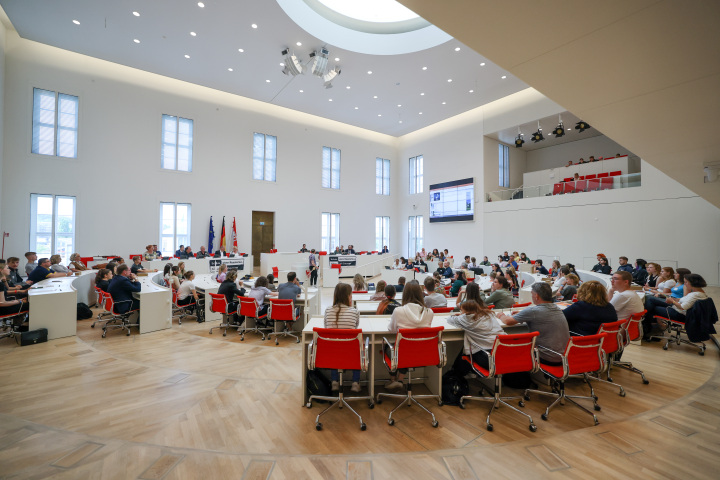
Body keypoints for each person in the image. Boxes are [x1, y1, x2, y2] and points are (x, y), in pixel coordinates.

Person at [497, 283, 570, 365]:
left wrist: (501, 315)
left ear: (536, 296)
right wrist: (521, 313)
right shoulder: (557, 308)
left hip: (546, 357)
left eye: (532, 294)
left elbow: (508, 321)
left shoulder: (533, 311)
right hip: (564, 357)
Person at [385, 283, 434, 389]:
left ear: (405, 294)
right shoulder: (429, 312)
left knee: (390, 347)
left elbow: (391, 330)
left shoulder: (398, 311)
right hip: (423, 353)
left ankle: (393, 379)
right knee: (408, 348)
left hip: (403, 353)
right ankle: (400, 379)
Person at [448, 299, 505, 375]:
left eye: (461, 310)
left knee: (466, 350)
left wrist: (461, 315)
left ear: (464, 311)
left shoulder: (465, 319)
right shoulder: (489, 315)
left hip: (487, 359)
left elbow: (450, 320)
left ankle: (455, 375)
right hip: (503, 355)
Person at [323, 283, 362, 392]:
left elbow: (326, 329)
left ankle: (334, 381)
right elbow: (355, 328)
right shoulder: (355, 312)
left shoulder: (327, 310)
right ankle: (355, 382)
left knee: (334, 345)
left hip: (332, 353)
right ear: (348, 296)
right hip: (350, 353)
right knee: (357, 348)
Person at [643, 267, 690, 335]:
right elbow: (671, 293)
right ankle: (649, 326)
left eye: (676, 273)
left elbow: (685, 298)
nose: (674, 274)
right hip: (671, 299)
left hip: (675, 303)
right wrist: (659, 293)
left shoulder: (685, 285)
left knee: (649, 299)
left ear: (682, 275)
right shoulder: (677, 283)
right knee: (650, 302)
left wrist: (673, 300)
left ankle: (646, 326)